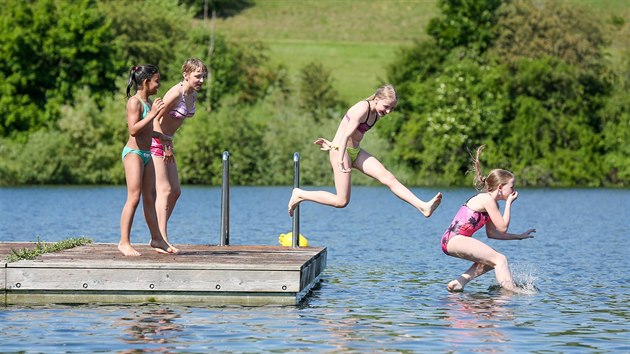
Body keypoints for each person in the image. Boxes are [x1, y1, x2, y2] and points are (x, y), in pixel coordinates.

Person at [288, 84, 442, 217]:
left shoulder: (377, 113)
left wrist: (332, 144)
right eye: (386, 106)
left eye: (392, 108)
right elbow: (346, 134)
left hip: (354, 151)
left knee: (388, 177)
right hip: (341, 152)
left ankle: (423, 206)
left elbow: (349, 135)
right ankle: (300, 194)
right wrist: (340, 156)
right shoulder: (362, 108)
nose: (388, 111)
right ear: (376, 99)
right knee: (341, 201)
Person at [440, 145, 536, 292]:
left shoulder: (491, 203)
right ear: (500, 188)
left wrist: (519, 237)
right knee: (500, 259)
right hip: (455, 239)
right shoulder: (487, 200)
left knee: (489, 261)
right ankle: (510, 290)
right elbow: (503, 227)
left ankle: (459, 282)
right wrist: (509, 204)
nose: (514, 191)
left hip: (451, 240)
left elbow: (493, 233)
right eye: (511, 187)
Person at [151, 58, 208, 252]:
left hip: (167, 142)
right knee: (165, 190)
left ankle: (157, 235)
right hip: (156, 141)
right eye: (197, 76)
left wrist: (169, 143)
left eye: (203, 76)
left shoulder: (192, 95)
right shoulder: (176, 93)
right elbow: (155, 120)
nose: (201, 80)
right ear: (186, 75)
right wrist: (165, 144)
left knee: (175, 191)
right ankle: (162, 240)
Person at [119, 64, 177, 256]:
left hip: (146, 154)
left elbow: (146, 131)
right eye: (156, 81)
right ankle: (124, 242)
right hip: (133, 154)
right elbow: (133, 129)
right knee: (133, 197)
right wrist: (152, 115)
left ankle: (157, 239)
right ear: (145, 82)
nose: (158, 85)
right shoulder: (134, 103)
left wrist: (161, 137)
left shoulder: (149, 103)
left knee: (150, 197)